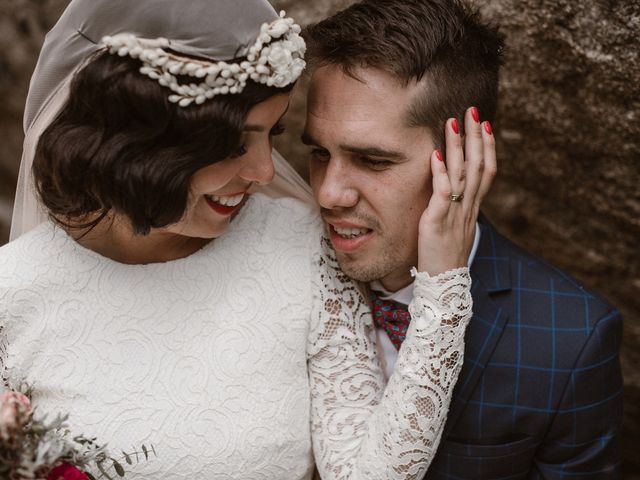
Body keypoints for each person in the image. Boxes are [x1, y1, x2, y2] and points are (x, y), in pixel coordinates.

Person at [0, 0, 493, 478]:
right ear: (142, 146)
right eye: (235, 144)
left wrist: (442, 290)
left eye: (272, 135)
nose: (262, 171)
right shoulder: (13, 291)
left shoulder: (299, 245)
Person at [302, 0, 624, 478]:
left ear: (465, 160)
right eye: (318, 153)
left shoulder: (572, 340)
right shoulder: (277, 271)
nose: (328, 193)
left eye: (373, 161)